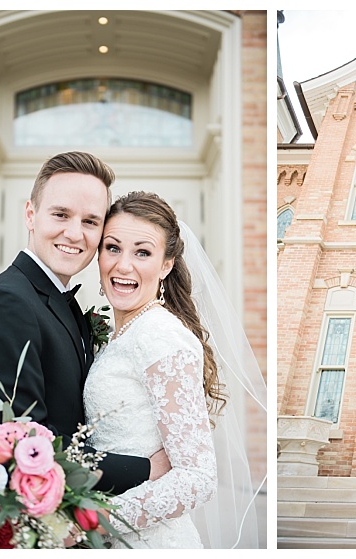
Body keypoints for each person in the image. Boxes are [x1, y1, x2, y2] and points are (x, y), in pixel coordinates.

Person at [0, 152, 168, 494]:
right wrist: (146, 468)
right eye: (60, 214)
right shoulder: (4, 304)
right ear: (30, 214)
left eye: (90, 221)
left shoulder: (61, 304)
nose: (74, 233)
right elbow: (22, 446)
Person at [83, 191, 266, 548]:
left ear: (166, 264)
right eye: (113, 247)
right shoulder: (124, 334)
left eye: (143, 252)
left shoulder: (161, 336)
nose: (123, 265)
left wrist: (97, 520)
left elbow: (197, 478)